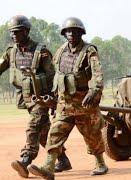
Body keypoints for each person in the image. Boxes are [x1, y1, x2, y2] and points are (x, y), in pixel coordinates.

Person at [27, 17, 107, 179]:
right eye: (68, 31)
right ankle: (48, 167)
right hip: (64, 105)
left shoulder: (89, 51)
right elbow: (56, 74)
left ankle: (100, 163)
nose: (71, 34)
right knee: (55, 133)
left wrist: (95, 89)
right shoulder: (61, 50)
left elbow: (97, 73)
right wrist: (51, 96)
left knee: (92, 136)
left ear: (81, 33)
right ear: (64, 33)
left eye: (75, 31)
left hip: (84, 104)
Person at [0, 15, 71, 178]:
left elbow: (54, 76)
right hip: (25, 98)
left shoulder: (41, 52)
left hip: (41, 98)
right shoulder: (11, 52)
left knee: (33, 126)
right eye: (12, 32)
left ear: (26, 31)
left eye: (17, 32)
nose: (13, 36)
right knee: (44, 131)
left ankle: (25, 159)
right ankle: (63, 159)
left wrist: (54, 99)